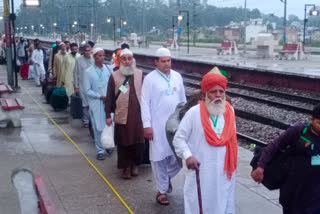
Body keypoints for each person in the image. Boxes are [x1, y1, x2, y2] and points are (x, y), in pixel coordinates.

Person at [173, 72, 238, 214]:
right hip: (201, 170)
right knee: (198, 203)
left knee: (223, 203)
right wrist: (188, 155)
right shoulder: (193, 113)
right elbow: (179, 138)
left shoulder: (229, 111)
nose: (218, 95)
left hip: (223, 170)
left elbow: (232, 141)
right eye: (214, 92)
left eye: (221, 91)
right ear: (206, 94)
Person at [251, 104, 320, 214]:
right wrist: (261, 166)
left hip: (316, 193)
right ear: (311, 119)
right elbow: (274, 146)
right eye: (319, 123)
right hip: (294, 190)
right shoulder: (299, 130)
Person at [141, 47, 186, 205]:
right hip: (157, 125)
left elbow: (182, 102)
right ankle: (161, 191)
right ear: (156, 62)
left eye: (169, 61)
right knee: (159, 157)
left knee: (178, 157)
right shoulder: (150, 79)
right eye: (163, 61)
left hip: (175, 126)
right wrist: (147, 125)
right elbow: (145, 103)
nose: (167, 64)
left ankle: (165, 179)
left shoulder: (177, 77)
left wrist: (185, 121)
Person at [105, 49, 144, 179]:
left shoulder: (140, 74)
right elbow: (110, 96)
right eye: (124, 59)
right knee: (123, 142)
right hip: (122, 114)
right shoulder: (114, 76)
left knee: (138, 142)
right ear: (119, 61)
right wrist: (107, 115)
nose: (127, 61)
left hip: (138, 116)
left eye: (130, 58)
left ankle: (135, 165)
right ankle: (125, 168)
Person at [85, 47, 112, 160]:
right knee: (98, 127)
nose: (102, 58)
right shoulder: (88, 72)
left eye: (103, 55)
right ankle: (100, 150)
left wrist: (110, 97)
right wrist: (100, 96)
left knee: (109, 125)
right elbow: (87, 90)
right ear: (94, 57)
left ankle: (108, 144)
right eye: (99, 56)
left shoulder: (107, 69)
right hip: (97, 102)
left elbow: (112, 85)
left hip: (108, 102)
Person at [74, 44, 94, 127]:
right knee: (84, 104)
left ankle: (92, 120)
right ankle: (86, 121)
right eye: (86, 50)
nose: (87, 52)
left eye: (89, 50)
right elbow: (75, 73)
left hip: (92, 85)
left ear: (91, 51)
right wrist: (76, 86)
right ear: (83, 51)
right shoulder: (79, 60)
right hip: (82, 85)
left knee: (92, 103)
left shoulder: (94, 59)